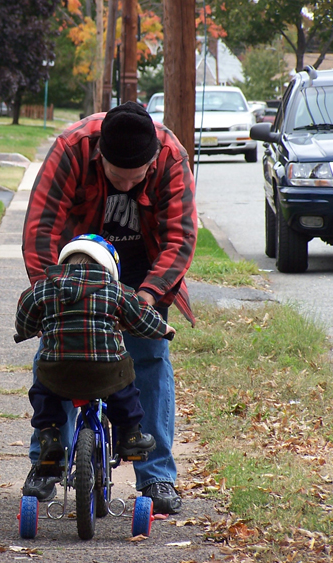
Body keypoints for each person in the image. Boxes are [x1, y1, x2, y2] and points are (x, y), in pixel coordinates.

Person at [21, 100, 197, 514]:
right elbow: (41, 228)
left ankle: (155, 476)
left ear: (152, 160)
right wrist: (51, 296)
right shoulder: (72, 148)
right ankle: (47, 462)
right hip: (75, 264)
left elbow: (180, 237)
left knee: (150, 357)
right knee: (58, 351)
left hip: (143, 269)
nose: (125, 184)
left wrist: (147, 298)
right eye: (116, 176)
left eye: (135, 178)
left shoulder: (171, 156)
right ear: (101, 156)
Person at [15, 234, 176, 485]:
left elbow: (25, 314)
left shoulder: (43, 289)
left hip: (58, 374)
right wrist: (163, 329)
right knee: (125, 391)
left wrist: (28, 330)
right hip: (105, 373)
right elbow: (141, 317)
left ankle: (49, 439)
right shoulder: (117, 290)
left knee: (43, 394)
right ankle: (130, 437)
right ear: (109, 267)